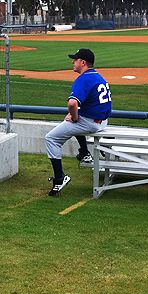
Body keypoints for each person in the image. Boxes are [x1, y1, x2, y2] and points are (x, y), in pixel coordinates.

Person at [45, 48, 111, 196]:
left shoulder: (83, 79)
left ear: (83, 62)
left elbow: (72, 104)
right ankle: (85, 153)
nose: (73, 62)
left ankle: (60, 178)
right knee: (74, 118)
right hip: (102, 121)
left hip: (91, 123)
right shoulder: (98, 76)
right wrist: (75, 115)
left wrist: (74, 116)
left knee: (51, 138)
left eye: (75, 59)